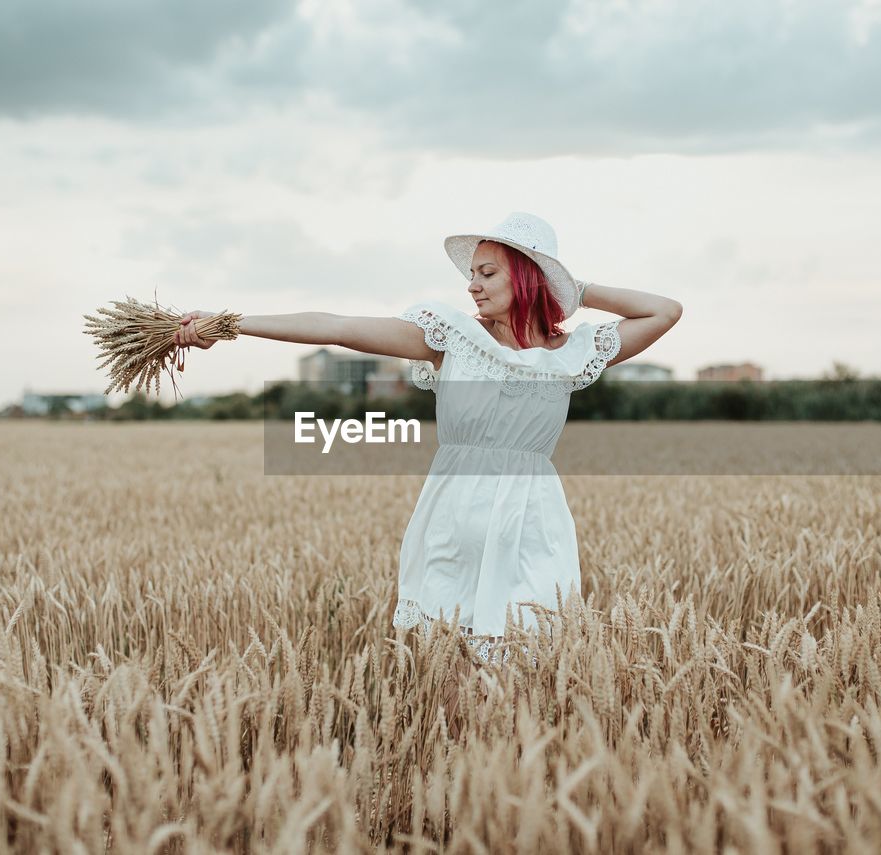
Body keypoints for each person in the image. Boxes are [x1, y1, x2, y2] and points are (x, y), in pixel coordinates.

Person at [174, 211, 683, 667]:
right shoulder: (450, 338)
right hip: (455, 513)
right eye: (471, 275)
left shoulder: (571, 352)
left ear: (527, 277)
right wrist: (230, 325)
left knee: (535, 659)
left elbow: (664, 310)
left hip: (532, 519)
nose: (472, 286)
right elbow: (338, 326)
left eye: (487, 273)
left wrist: (574, 286)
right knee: (453, 665)